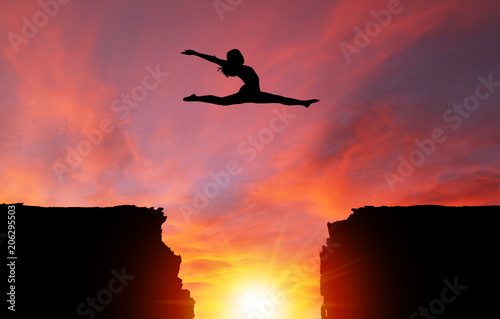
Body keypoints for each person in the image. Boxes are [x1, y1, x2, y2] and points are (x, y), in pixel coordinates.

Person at [181, 49, 319, 107]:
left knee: (279, 99)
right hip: (249, 92)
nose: (243, 57)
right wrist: (194, 53)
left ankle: (303, 103)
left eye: (242, 55)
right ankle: (196, 97)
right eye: (240, 56)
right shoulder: (236, 67)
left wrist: (194, 53)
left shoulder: (240, 67)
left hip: (253, 94)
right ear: (235, 59)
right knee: (221, 102)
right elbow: (212, 59)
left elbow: (213, 60)